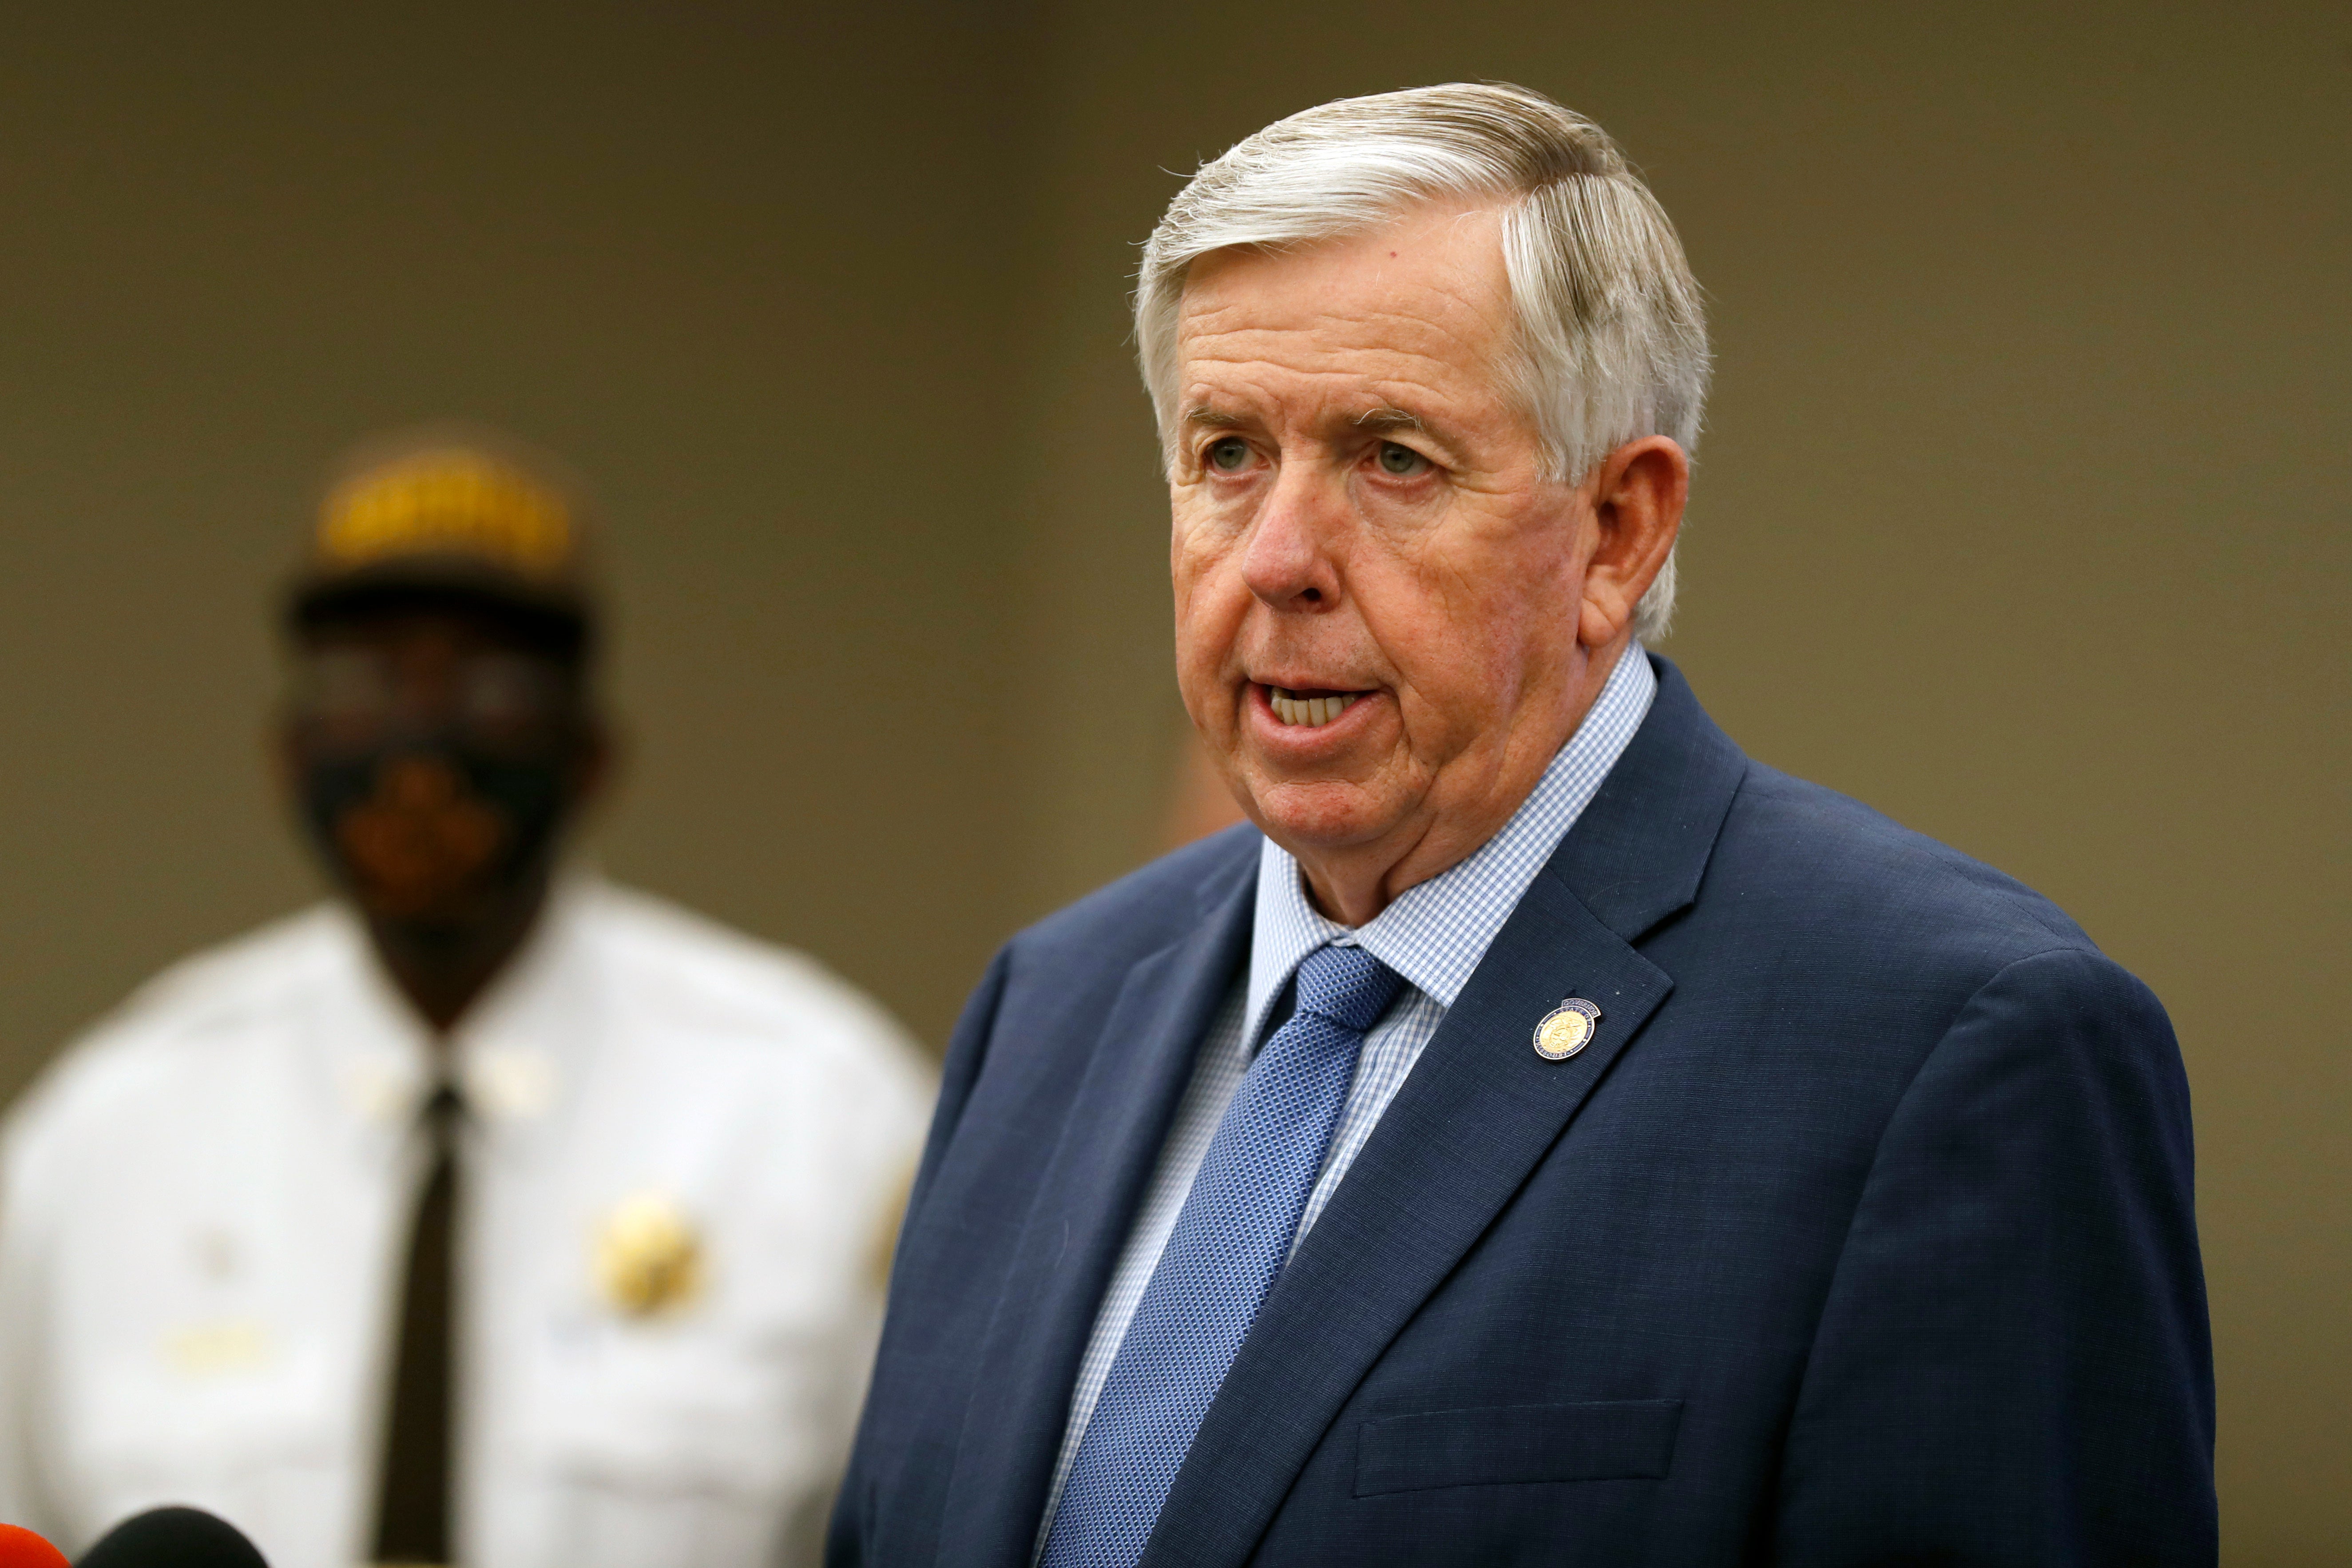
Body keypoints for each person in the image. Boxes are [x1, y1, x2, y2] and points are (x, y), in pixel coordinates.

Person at [831, 84, 2215, 1567]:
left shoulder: (1946, 1048)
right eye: (1228, 453)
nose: (1278, 559)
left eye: (1392, 460)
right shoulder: (1049, 1005)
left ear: (1615, 532)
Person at [0, 429, 935, 1568]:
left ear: (593, 749)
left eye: (491, 683)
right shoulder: (103, 1142)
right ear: (285, 750)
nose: (420, 749)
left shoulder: (822, 1116)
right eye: (364, 680)